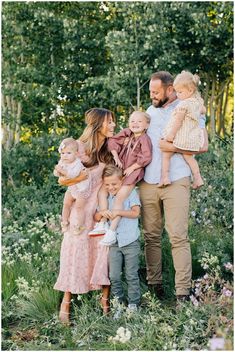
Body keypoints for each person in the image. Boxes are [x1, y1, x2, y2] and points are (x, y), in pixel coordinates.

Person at [139, 71, 208, 302]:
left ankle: (182, 293)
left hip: (176, 179)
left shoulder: (191, 107)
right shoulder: (149, 113)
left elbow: (203, 145)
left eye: (156, 92)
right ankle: (155, 286)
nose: (152, 96)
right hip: (148, 181)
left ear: (170, 89)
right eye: (150, 91)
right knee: (151, 236)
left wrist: (174, 148)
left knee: (178, 236)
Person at [54, 108, 116, 323]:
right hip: (79, 206)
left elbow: (106, 184)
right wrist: (77, 178)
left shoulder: (108, 151)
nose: (114, 125)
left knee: (102, 252)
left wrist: (103, 210)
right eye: (110, 122)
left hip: (97, 209)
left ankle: (104, 302)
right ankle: (66, 303)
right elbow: (62, 179)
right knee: (75, 251)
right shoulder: (78, 148)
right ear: (98, 124)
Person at [88, 111, 152, 246]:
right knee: (102, 192)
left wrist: (133, 167)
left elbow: (146, 157)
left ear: (147, 125)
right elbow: (112, 141)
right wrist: (116, 156)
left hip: (132, 172)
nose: (135, 124)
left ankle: (111, 232)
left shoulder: (145, 139)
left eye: (139, 121)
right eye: (132, 121)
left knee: (119, 198)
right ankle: (103, 223)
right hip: (121, 170)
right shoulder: (128, 133)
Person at [93, 164, 141, 313]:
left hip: (130, 241)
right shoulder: (106, 197)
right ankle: (118, 304)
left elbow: (135, 213)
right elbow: (96, 216)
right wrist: (103, 213)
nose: (111, 187)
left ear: (122, 181)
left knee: (131, 274)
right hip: (114, 243)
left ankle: (133, 304)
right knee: (114, 276)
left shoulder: (129, 193)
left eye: (114, 184)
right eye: (107, 184)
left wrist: (118, 211)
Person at [159, 71, 205, 189]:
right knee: (189, 157)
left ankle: (165, 177)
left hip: (180, 135)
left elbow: (178, 122)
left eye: (180, 92)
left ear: (190, 91)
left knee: (166, 154)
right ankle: (198, 178)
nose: (177, 95)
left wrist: (171, 135)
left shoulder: (183, 105)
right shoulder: (198, 102)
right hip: (190, 137)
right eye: (176, 91)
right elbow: (203, 111)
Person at [53, 137, 92, 235]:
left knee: (79, 207)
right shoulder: (63, 161)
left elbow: (73, 175)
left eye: (68, 153)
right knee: (66, 204)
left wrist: (62, 171)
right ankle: (65, 222)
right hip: (73, 187)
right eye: (63, 153)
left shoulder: (77, 163)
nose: (65, 156)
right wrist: (57, 171)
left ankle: (79, 225)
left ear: (76, 154)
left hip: (82, 189)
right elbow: (57, 174)